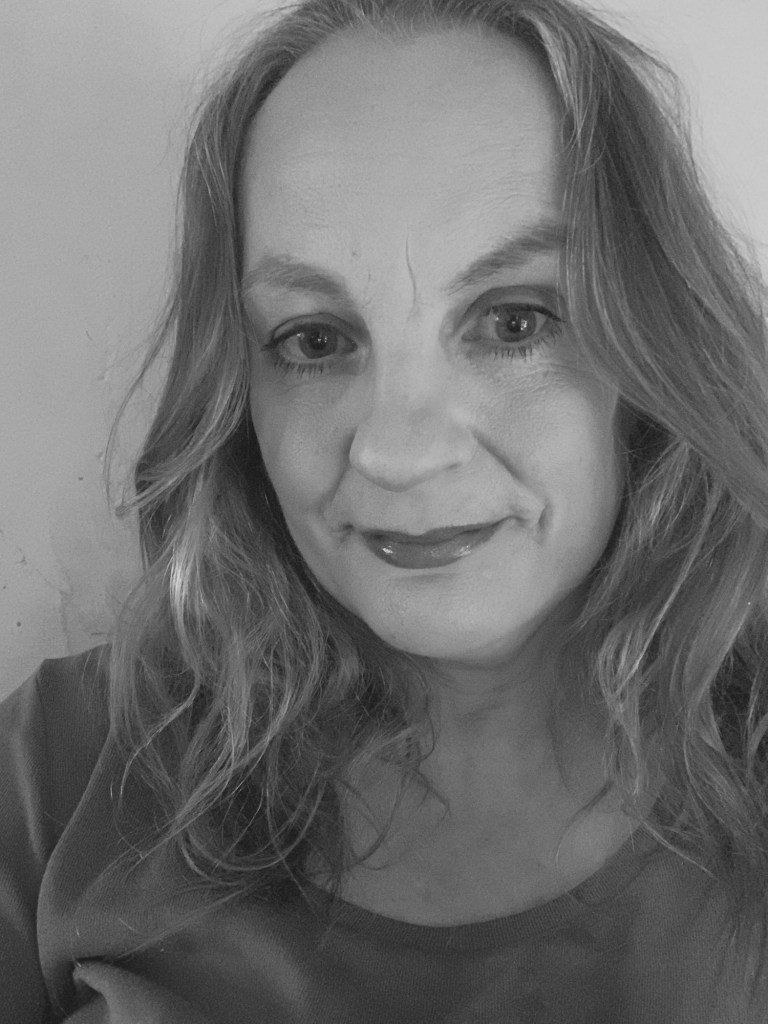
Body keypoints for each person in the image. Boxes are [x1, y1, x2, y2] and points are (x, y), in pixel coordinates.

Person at [2, 0, 767, 1019]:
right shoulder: (58, 768)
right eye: (314, 340)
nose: (397, 454)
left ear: (653, 345)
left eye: (516, 321)